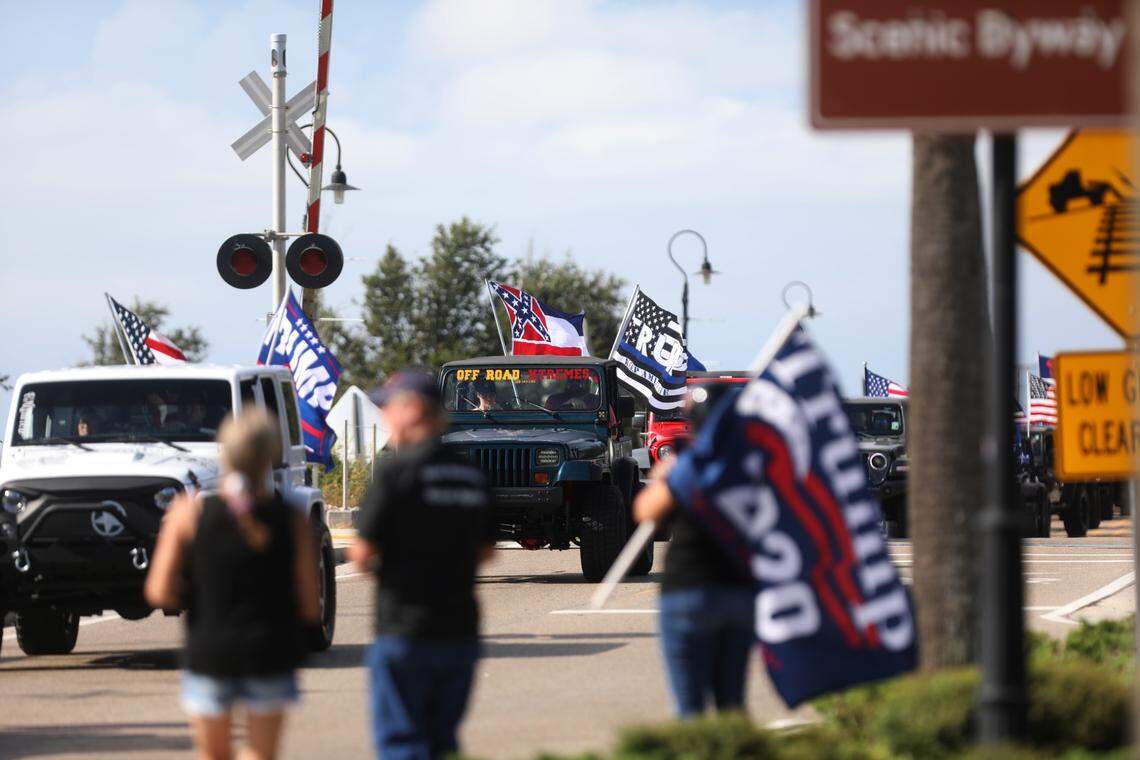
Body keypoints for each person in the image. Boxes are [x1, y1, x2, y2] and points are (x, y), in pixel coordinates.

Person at [145, 409, 321, 760]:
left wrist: (197, 595)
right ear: (270, 455)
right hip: (270, 651)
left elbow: (158, 591)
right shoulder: (292, 520)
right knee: (259, 754)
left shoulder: (188, 514)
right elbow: (309, 606)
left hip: (211, 650)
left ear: (225, 452)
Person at [348, 369, 495, 760]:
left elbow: (361, 553)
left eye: (387, 408)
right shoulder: (470, 473)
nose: (383, 418)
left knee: (403, 744)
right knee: (442, 743)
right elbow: (487, 551)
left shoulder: (396, 472)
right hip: (460, 630)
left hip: (405, 630)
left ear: (412, 410)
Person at [633, 385, 755, 717]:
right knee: (732, 707)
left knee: (690, 711)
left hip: (689, 590)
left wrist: (661, 478)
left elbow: (646, 511)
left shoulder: (690, 466)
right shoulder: (753, 470)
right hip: (740, 594)